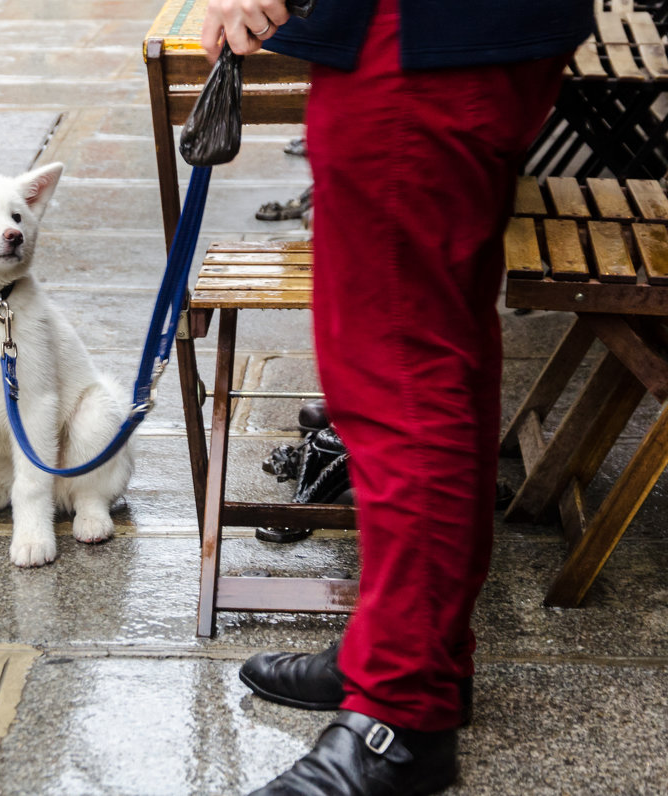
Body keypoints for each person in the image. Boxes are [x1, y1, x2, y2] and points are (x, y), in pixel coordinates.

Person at [199, 0, 594, 793]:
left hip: (421, 38)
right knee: (442, 353)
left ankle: (400, 715)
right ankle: (418, 652)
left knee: (397, 379)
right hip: (463, 35)